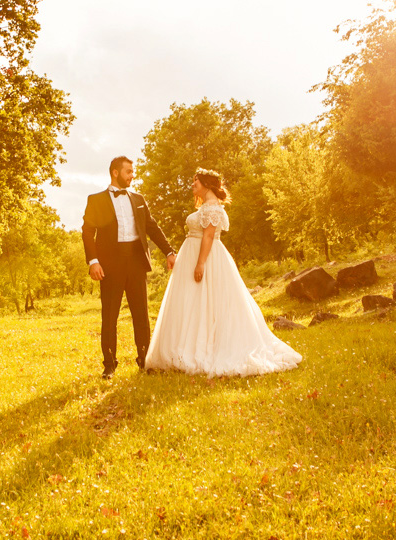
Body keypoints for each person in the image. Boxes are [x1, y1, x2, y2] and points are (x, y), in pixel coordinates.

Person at [144, 167, 301, 377]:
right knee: (193, 302)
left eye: (196, 181)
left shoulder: (212, 208)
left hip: (206, 258)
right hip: (192, 255)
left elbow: (208, 237)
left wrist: (200, 264)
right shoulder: (205, 208)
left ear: (207, 184)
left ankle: (204, 348)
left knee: (208, 301)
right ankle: (184, 347)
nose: (192, 185)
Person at [82, 156, 177, 379]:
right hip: (109, 265)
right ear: (115, 172)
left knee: (141, 315)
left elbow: (152, 228)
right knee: (110, 316)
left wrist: (169, 251)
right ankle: (109, 365)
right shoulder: (96, 200)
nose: (132, 175)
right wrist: (93, 261)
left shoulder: (138, 198)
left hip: (136, 262)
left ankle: (144, 360)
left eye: (132, 171)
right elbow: (87, 232)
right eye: (128, 171)